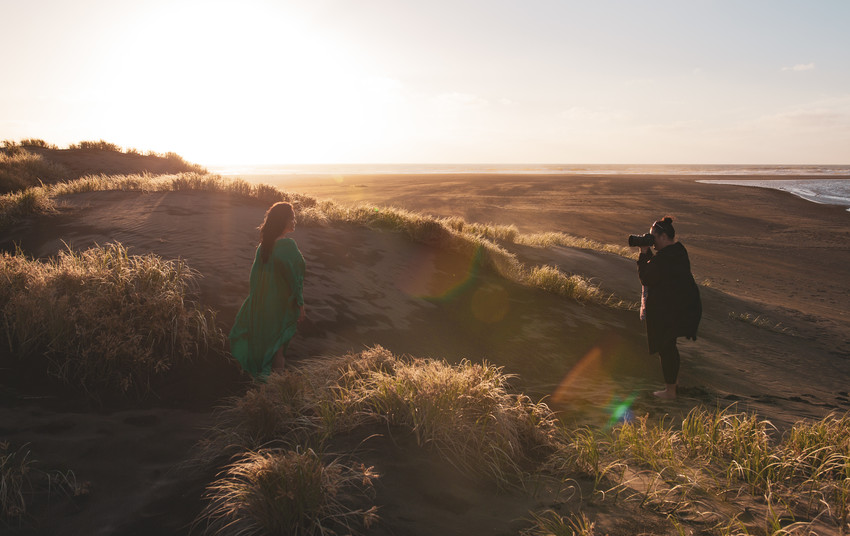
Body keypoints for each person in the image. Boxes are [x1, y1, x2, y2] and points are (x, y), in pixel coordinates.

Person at [229, 202, 305, 378]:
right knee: (278, 348)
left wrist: (255, 301)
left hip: (262, 303)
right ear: (282, 221)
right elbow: (295, 279)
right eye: (291, 218)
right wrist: (300, 305)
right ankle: (275, 389)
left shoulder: (264, 247)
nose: (295, 221)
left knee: (264, 342)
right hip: (279, 305)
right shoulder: (288, 246)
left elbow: (254, 278)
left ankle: (258, 379)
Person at [636, 216, 701, 400]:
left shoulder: (667, 257)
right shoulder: (677, 252)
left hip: (672, 311)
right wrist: (647, 253)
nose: (652, 242)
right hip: (680, 308)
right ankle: (672, 386)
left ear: (663, 236)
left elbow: (648, 277)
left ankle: (670, 391)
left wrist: (643, 254)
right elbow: (656, 271)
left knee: (666, 348)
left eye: (653, 237)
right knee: (668, 346)